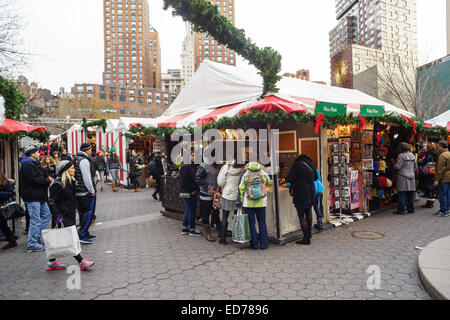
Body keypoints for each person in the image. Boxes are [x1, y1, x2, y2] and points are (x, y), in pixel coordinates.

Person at [46, 160, 95, 271]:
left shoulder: (70, 181)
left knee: (58, 239)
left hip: (68, 214)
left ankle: (51, 262)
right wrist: (57, 216)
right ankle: (81, 261)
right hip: (62, 216)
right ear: (65, 170)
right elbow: (51, 201)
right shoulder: (58, 184)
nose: (74, 170)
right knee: (71, 239)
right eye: (71, 168)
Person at [19, 146, 54, 252]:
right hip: (33, 196)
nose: (39, 154)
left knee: (47, 215)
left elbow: (42, 175)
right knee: (35, 220)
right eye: (38, 152)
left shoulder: (34, 163)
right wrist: (47, 180)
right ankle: (32, 243)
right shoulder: (27, 164)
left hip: (39, 196)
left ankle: (37, 237)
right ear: (32, 154)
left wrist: (47, 177)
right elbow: (34, 180)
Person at [238, 161, 272, 250]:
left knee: (251, 224)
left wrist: (241, 201)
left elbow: (241, 188)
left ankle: (254, 245)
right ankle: (264, 244)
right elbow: (269, 182)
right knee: (262, 223)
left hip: (248, 203)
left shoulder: (245, 174)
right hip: (261, 203)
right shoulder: (263, 172)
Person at [287, 155, 318, 245]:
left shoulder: (297, 164)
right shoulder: (312, 164)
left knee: (301, 215)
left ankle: (306, 238)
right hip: (311, 191)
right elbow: (315, 178)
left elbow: (290, 179)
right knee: (309, 212)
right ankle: (309, 234)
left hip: (300, 192)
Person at [217, 159, 244, 245]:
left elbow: (220, 182)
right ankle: (236, 237)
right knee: (237, 217)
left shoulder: (226, 167)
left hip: (227, 194)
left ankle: (223, 239)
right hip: (237, 195)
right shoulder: (242, 168)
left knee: (225, 217)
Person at [74, 143, 96, 244]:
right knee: (87, 214)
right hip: (84, 191)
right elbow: (86, 178)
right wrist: (92, 191)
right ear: (87, 150)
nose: (92, 151)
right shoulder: (84, 161)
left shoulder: (77, 158)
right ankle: (82, 234)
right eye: (91, 149)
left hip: (78, 190)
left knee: (83, 213)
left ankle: (85, 232)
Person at [195, 157, 219, 242]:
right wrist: (208, 186)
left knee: (216, 212)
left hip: (215, 195)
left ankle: (220, 230)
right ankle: (207, 233)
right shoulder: (204, 165)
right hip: (206, 195)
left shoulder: (216, 165)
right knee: (206, 214)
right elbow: (197, 178)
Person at [180, 150, 202, 237]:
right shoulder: (186, 166)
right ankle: (192, 229)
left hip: (189, 191)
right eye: (192, 155)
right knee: (192, 210)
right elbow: (185, 181)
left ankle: (185, 228)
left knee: (189, 210)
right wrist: (192, 190)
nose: (194, 157)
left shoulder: (191, 166)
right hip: (188, 192)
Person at [393, 142, 418, 215]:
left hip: (403, 176)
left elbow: (398, 167)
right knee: (410, 194)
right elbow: (415, 167)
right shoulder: (412, 155)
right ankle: (411, 209)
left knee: (402, 193)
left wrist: (393, 164)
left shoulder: (401, 156)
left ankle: (401, 210)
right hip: (411, 176)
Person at [419, 141, 439, 208]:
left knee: (429, 186)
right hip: (434, 171)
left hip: (429, 173)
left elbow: (425, 162)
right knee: (431, 186)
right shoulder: (437, 153)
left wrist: (419, 162)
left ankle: (429, 203)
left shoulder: (429, 154)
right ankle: (430, 202)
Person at [0, 174, 18, 250]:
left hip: (3, 207)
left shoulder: (6, 183)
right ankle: (11, 239)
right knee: (2, 224)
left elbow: (11, 193)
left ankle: (12, 239)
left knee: (2, 224)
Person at [434, 140, 450, 217]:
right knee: (448, 194)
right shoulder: (449, 154)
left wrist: (437, 179)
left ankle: (443, 210)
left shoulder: (442, 155)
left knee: (442, 194)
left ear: (441, 146)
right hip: (449, 177)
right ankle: (447, 209)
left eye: (438, 146)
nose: (437, 147)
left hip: (444, 177)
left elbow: (440, 169)